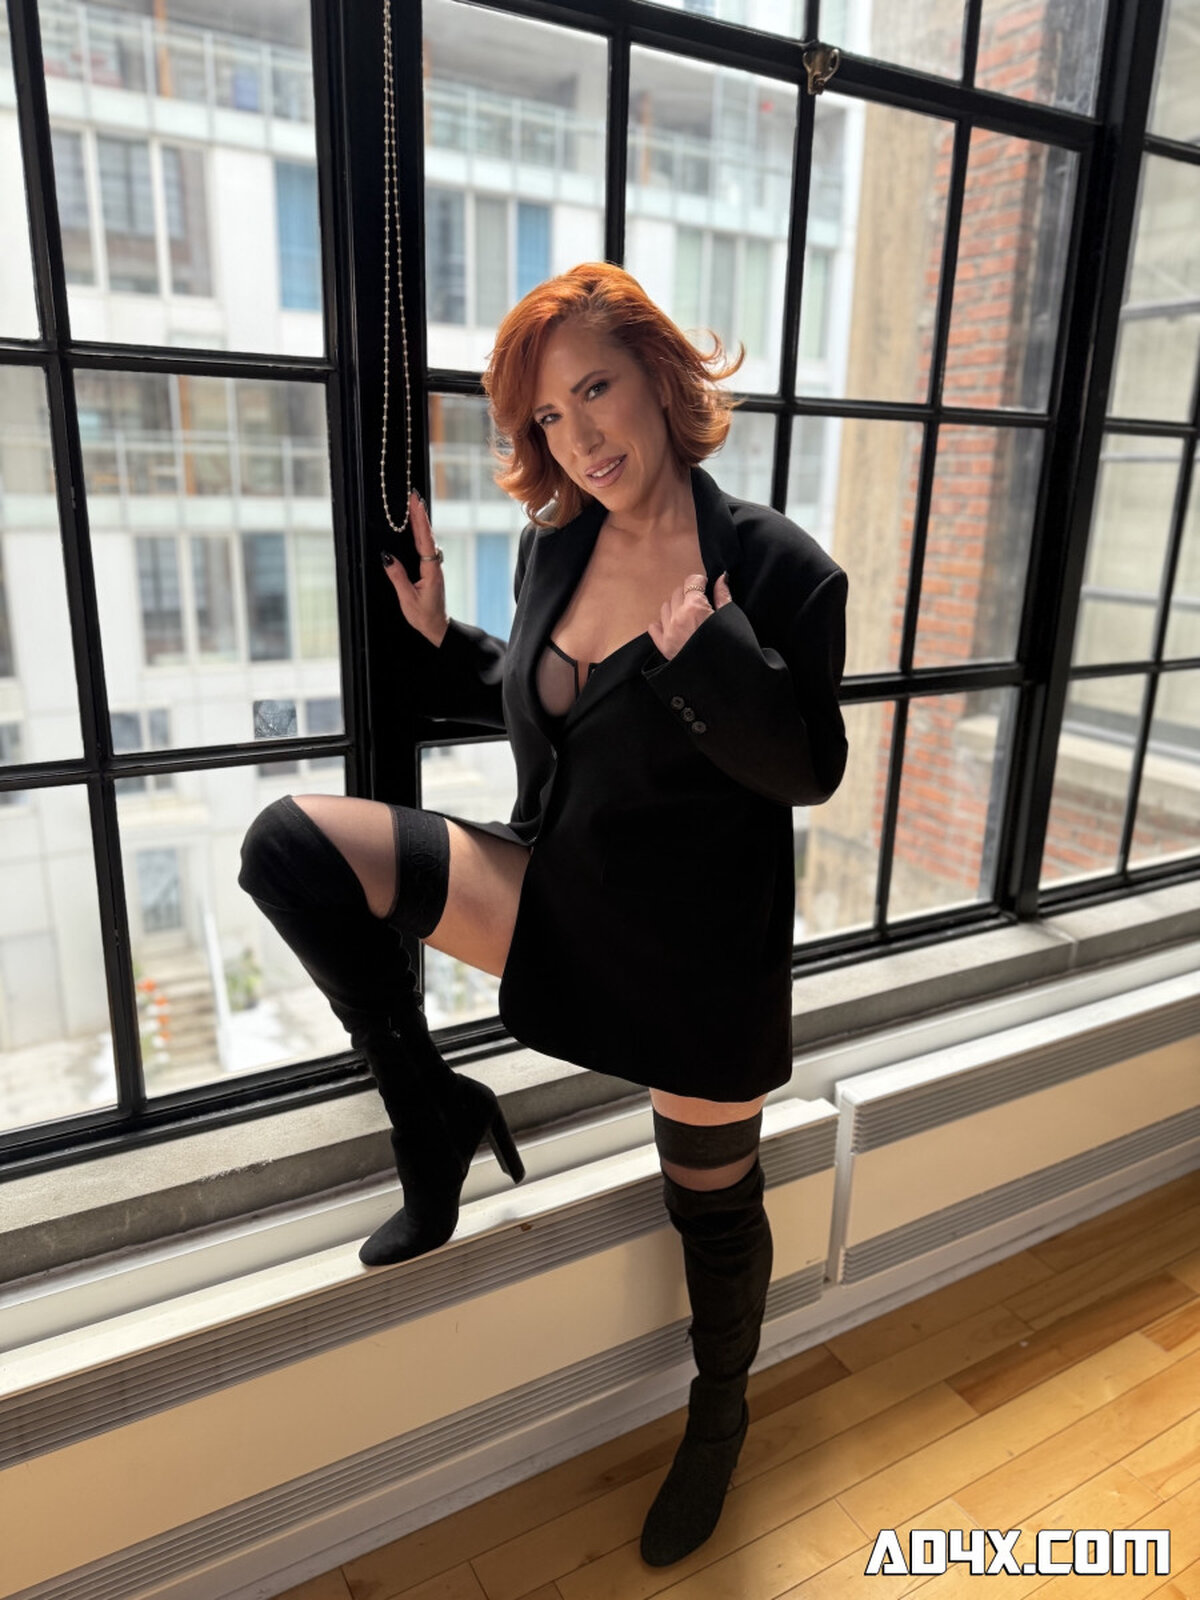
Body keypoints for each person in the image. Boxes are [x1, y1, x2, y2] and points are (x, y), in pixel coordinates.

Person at [237, 262, 848, 1567]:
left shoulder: (780, 567)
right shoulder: (554, 543)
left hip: (697, 956)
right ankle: (433, 1109)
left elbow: (809, 771)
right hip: (558, 892)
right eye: (549, 419)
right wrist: (440, 636)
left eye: (595, 391)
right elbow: (559, 703)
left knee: (712, 1211)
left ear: (662, 378)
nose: (578, 439)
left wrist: (711, 657)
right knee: (291, 846)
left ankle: (720, 1414)